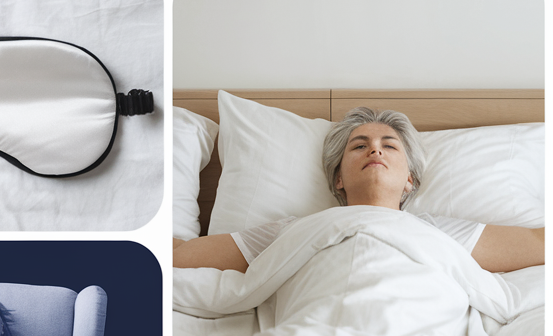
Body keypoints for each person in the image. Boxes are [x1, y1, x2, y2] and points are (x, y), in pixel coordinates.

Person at [173, 107, 545, 274]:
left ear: (410, 180)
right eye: (359, 145)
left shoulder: (442, 232)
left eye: (390, 144)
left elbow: (540, 243)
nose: (375, 149)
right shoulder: (292, 231)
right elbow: (179, 256)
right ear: (338, 178)